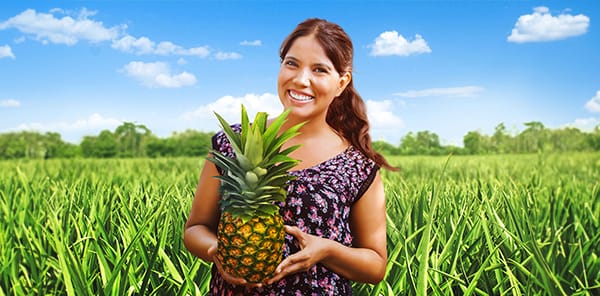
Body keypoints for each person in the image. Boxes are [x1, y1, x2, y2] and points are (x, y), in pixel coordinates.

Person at [184, 17, 397, 295]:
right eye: (292, 63)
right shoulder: (236, 143)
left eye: (319, 69)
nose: (300, 79)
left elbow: (375, 265)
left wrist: (327, 251)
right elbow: (196, 228)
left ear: (341, 82)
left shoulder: (357, 166)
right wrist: (218, 251)